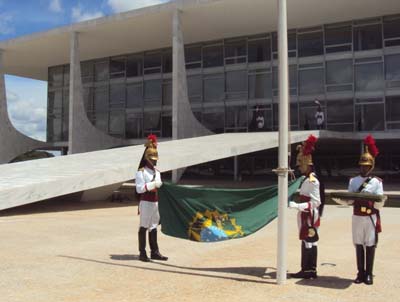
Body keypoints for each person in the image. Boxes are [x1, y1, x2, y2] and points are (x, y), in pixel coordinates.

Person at [335, 135, 386, 285]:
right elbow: (350, 199)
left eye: (366, 165)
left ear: (371, 166)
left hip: (370, 216)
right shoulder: (353, 181)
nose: (363, 168)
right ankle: (360, 273)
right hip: (357, 216)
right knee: (358, 244)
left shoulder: (377, 182)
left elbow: (379, 200)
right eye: (362, 165)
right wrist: (342, 200)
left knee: (370, 244)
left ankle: (369, 273)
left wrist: (375, 203)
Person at [289, 135, 323, 279]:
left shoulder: (313, 181)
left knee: (310, 240)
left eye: (301, 164)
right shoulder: (304, 179)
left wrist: (298, 206)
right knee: (306, 241)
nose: (299, 167)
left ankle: (310, 270)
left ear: (308, 165)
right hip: (304, 213)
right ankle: (307, 269)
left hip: (309, 213)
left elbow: (316, 202)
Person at [135, 134, 168, 262]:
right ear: (147, 158)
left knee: (154, 226)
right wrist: (152, 184)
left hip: (155, 202)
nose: (154, 161)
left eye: (155, 159)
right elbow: (139, 188)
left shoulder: (157, 172)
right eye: (152, 159)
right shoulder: (141, 172)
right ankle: (142, 252)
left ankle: (154, 251)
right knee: (144, 226)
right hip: (146, 202)